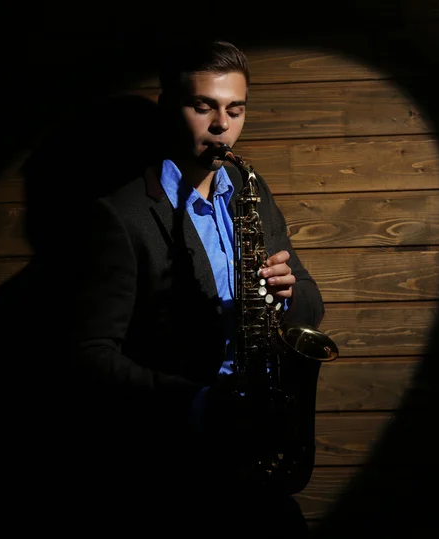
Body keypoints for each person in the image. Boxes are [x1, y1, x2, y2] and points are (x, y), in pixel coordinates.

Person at [59, 38, 326, 538]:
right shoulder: (120, 217)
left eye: (234, 109)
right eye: (203, 106)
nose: (222, 126)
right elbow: (89, 356)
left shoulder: (252, 190)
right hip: (173, 465)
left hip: (260, 440)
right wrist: (198, 402)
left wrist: (289, 293)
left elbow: (310, 297)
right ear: (169, 108)